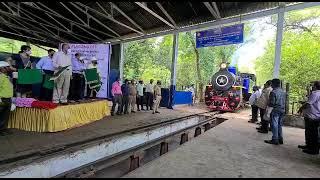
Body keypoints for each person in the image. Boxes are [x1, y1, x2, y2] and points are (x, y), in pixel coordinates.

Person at [298, 81, 320, 155]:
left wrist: (301, 108)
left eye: (313, 85)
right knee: (310, 132)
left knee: (312, 133)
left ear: (315, 86)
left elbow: (308, 104)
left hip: (312, 116)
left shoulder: (315, 93)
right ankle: (309, 145)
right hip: (316, 115)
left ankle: (313, 149)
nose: (312, 87)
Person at [264, 79, 286, 145]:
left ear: (274, 84)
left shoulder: (273, 92)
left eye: (272, 84)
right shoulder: (283, 91)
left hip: (276, 110)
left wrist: (268, 109)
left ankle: (275, 139)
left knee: (274, 125)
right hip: (282, 109)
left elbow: (272, 103)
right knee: (279, 125)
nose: (271, 85)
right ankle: (280, 138)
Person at [0, 61, 14, 135]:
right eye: (7, 67)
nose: (9, 68)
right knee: (2, 115)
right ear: (2, 68)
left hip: (8, 99)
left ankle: (2, 129)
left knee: (5, 116)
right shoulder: (1, 77)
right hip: (2, 99)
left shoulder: (6, 77)